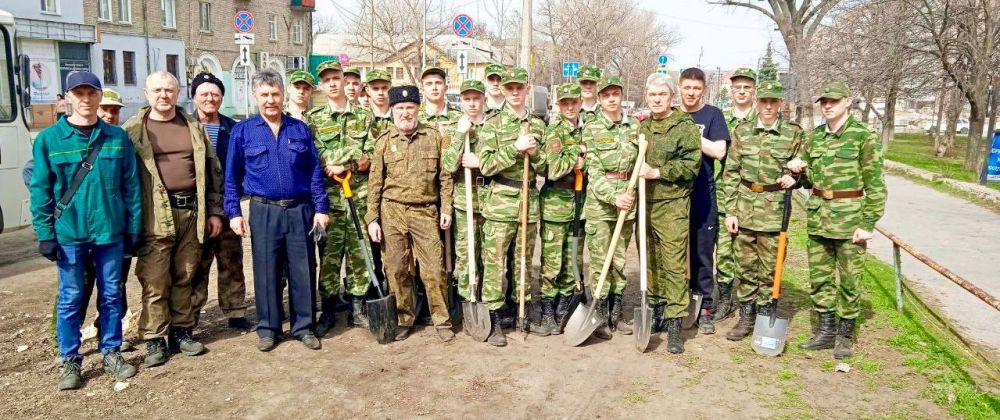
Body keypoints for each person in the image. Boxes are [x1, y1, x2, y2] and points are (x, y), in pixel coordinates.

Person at [29, 71, 141, 390]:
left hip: (110, 232)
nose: (86, 99)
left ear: (99, 96)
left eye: (92, 93)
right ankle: (70, 359)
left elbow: (131, 186)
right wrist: (45, 234)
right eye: (79, 93)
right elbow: (40, 190)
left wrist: (133, 228)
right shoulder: (49, 140)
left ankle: (111, 351)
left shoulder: (116, 138)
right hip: (70, 234)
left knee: (111, 294)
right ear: (67, 97)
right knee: (71, 297)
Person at [122, 70, 224, 368]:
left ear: (178, 93)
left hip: (191, 211)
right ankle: (155, 338)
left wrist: (214, 211)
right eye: (157, 90)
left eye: (169, 90)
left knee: (185, 274)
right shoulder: (132, 130)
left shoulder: (193, 126)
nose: (163, 95)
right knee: (154, 279)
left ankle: (181, 332)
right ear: (146, 93)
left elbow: (213, 171)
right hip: (154, 214)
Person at [225, 69, 331, 352]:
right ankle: (269, 328)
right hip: (264, 210)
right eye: (264, 95)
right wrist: (234, 212)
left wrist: (321, 208)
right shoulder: (243, 132)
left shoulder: (299, 129)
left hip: (300, 209)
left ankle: (304, 327)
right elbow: (231, 177)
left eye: (275, 94)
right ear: (255, 96)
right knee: (266, 270)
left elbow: (314, 172)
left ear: (283, 96)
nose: (270, 100)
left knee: (303, 269)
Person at [791, 81, 886, 359]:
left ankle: (845, 335)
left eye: (833, 101)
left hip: (849, 220)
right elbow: (809, 179)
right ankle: (825, 331)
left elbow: (876, 185)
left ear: (848, 101)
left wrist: (868, 223)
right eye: (824, 101)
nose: (828, 106)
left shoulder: (863, 136)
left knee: (849, 280)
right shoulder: (815, 137)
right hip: (819, 217)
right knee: (820, 278)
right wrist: (799, 170)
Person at [366, 84, 455, 342]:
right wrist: (372, 219)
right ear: (392, 110)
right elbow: (375, 183)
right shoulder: (383, 141)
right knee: (396, 269)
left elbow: (445, 178)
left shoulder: (434, 137)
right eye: (400, 108)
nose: (405, 113)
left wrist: (446, 208)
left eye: (410, 107)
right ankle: (404, 318)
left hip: (425, 211)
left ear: (418, 108)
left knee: (434, 268)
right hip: (391, 211)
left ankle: (442, 320)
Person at [721, 80, 804, 341]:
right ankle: (746, 316)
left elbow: (806, 167)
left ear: (780, 103)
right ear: (757, 102)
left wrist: (796, 176)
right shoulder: (742, 132)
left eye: (773, 101)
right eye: (764, 101)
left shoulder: (793, 133)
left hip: (775, 208)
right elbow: (731, 173)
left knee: (770, 267)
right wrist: (730, 211)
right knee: (745, 267)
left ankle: (765, 315)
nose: (768, 106)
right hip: (745, 206)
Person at [477, 67, 547, 346]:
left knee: (523, 261)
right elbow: (486, 165)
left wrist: (535, 153)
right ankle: (494, 317)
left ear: (527, 89)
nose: (515, 92)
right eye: (510, 88)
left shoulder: (538, 125)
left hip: (528, 201)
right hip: (501, 202)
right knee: (494, 262)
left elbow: (547, 168)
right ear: (503, 90)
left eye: (520, 88)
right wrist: (514, 149)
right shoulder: (493, 124)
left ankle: (522, 313)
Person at [306, 60, 376, 335]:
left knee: (360, 255)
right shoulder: (314, 119)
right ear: (321, 85)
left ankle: (358, 309)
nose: (333, 84)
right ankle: (328, 309)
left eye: (336, 78)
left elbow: (371, 154)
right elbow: (316, 156)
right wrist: (346, 159)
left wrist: (345, 163)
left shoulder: (364, 117)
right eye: (327, 80)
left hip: (359, 199)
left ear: (345, 81)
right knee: (330, 258)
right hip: (331, 202)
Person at [637, 73, 702, 354]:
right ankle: (657, 311)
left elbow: (691, 165)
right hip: (645, 203)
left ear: (671, 97)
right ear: (646, 97)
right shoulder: (643, 126)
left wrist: (658, 172)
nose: (657, 100)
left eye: (662, 95)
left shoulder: (683, 126)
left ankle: (675, 324)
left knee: (673, 264)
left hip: (672, 204)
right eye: (652, 95)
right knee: (650, 260)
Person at [187, 72, 251, 331]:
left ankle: (235, 311)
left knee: (231, 261)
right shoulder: (185, 126)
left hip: (227, 205)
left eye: (215, 94)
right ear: (194, 97)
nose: (210, 99)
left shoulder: (233, 128)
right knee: (196, 266)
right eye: (204, 94)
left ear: (222, 98)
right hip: (196, 209)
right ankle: (190, 318)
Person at [581, 75, 639, 339]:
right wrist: (613, 197)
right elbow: (593, 172)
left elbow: (638, 162)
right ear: (600, 99)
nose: (611, 99)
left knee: (619, 261)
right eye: (606, 95)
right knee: (600, 261)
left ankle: (617, 313)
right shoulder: (592, 128)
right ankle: (600, 315)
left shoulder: (634, 127)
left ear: (622, 96)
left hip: (628, 202)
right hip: (602, 206)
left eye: (615, 94)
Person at [679, 67, 730, 334]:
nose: (691, 93)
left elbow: (719, 151)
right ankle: (675, 305)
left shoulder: (712, 115)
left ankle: (706, 307)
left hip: (703, 195)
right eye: (687, 87)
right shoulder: (671, 114)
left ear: (703, 90)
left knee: (702, 252)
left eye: (696, 88)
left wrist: (691, 136)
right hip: (674, 196)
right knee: (675, 254)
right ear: (680, 87)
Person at [536, 83, 586, 335]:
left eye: (573, 102)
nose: (569, 107)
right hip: (556, 204)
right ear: (558, 105)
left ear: (580, 103)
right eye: (564, 103)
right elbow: (553, 170)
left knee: (573, 260)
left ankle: (564, 306)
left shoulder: (588, 129)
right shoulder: (555, 131)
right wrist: (576, 155)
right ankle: (547, 308)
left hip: (580, 204)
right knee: (552, 262)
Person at [715, 67, 759, 322]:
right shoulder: (722, 119)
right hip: (725, 194)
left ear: (754, 91)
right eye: (737, 88)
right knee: (724, 252)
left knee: (749, 254)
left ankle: (749, 303)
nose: (741, 92)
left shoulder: (761, 119)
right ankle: (725, 300)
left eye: (746, 88)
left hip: (755, 199)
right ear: (731, 91)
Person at [441, 80, 489, 310]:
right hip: (464, 200)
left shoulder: (494, 126)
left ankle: (487, 302)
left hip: (491, 200)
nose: (472, 103)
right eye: (467, 99)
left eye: (476, 98)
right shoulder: (453, 128)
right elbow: (448, 165)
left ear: (484, 100)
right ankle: (466, 301)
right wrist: (461, 134)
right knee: (466, 253)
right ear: (460, 101)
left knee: (489, 256)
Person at [418, 67, 462, 133]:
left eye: (438, 83)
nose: (434, 88)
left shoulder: (460, 118)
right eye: (429, 84)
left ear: (446, 88)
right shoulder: (414, 118)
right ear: (422, 89)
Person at [365, 69, 394, 139]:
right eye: (375, 89)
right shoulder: (361, 118)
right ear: (367, 90)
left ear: (391, 89)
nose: (380, 93)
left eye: (384, 88)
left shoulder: (400, 116)